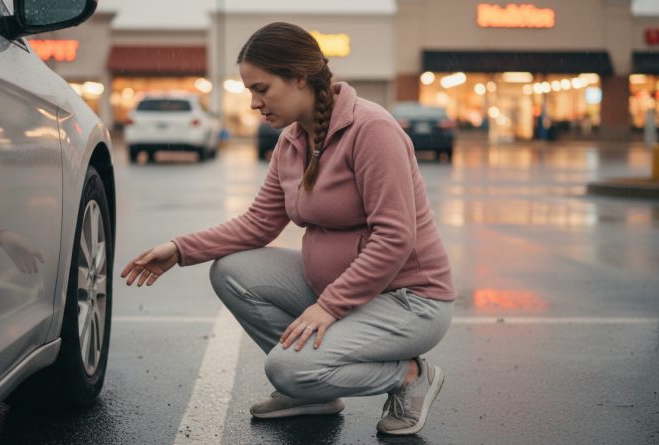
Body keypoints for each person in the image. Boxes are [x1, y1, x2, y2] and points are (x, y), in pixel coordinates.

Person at [121, 22, 455, 436]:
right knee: (230, 271)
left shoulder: (372, 130)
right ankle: (312, 390)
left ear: (299, 78)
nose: (254, 104)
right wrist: (180, 248)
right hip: (336, 288)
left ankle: (407, 377)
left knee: (285, 367)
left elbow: (395, 237)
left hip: (409, 301)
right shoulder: (292, 140)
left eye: (261, 89)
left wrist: (329, 307)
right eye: (249, 92)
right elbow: (259, 223)